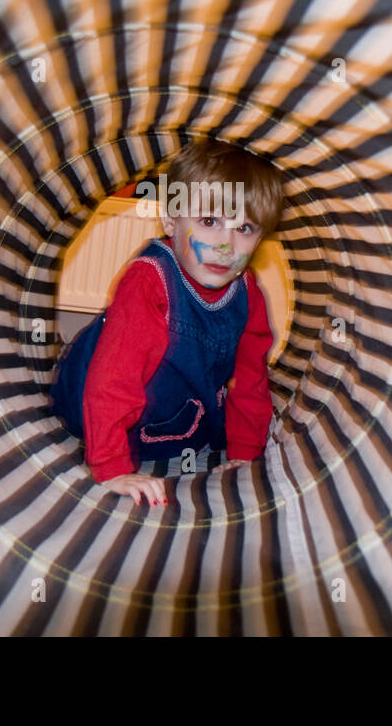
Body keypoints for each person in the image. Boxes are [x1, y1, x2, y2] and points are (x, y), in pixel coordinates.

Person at [49, 140, 286, 506]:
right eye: (210, 222)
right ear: (171, 220)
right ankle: (70, 350)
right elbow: (114, 377)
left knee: (212, 419)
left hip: (178, 403)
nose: (225, 245)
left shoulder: (248, 293)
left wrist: (244, 450)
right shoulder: (149, 281)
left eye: (245, 228)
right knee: (110, 362)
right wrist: (111, 467)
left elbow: (250, 379)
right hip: (95, 385)